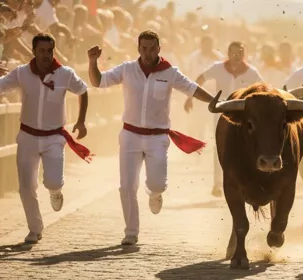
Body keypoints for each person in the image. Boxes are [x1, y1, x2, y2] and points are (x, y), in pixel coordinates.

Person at [87, 30, 216, 245]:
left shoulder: (170, 72)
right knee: (127, 186)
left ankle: (155, 194)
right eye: (143, 48)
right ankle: (131, 232)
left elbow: (192, 89)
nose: (147, 53)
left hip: (157, 137)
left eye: (152, 48)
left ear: (159, 49)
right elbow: (98, 82)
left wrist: (214, 102)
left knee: (157, 184)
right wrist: (92, 62)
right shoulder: (127, 69)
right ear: (138, 49)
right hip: (130, 135)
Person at [0, 33, 91, 244]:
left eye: (50, 51)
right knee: (26, 187)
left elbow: (83, 91)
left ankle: (55, 191)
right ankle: (35, 228)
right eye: (42, 51)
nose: (46, 55)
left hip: (54, 137)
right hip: (28, 135)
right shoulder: (22, 73)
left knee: (53, 180)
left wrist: (81, 121)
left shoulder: (65, 73)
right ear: (33, 51)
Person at [189, 41, 263, 197]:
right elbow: (201, 78)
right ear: (228, 54)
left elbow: (263, 88)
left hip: (244, 115)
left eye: (240, 52)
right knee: (221, 148)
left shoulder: (251, 72)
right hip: (222, 113)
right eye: (234, 52)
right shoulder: (218, 67)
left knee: (246, 147)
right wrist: (190, 96)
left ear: (245, 54)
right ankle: (218, 184)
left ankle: (245, 180)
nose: (237, 56)